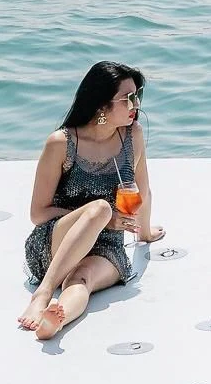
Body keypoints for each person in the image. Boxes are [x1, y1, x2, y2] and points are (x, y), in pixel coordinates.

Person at [17, 62, 162, 340]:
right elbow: (38, 213)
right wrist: (103, 219)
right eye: (128, 98)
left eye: (138, 96)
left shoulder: (133, 136)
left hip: (107, 244)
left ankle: (57, 321)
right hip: (56, 238)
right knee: (101, 209)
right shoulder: (61, 143)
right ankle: (43, 294)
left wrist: (144, 233)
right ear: (101, 105)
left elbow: (143, 191)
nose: (137, 105)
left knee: (82, 279)